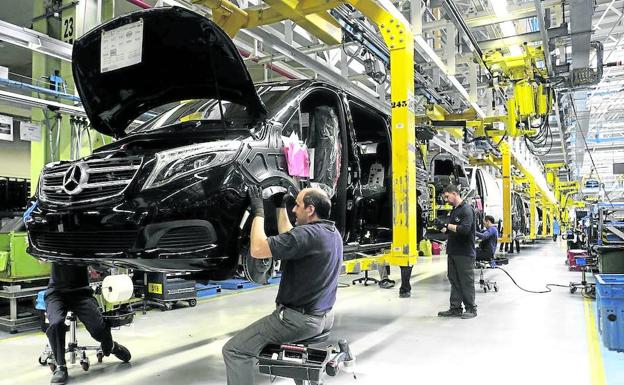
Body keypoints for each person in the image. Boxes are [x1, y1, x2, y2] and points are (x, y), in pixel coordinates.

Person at [222, 186, 343, 385]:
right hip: (323, 316)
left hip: (298, 320)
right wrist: (280, 207)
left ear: (310, 209)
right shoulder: (330, 232)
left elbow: (258, 249)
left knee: (235, 350)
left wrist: (258, 211)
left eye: (297, 205)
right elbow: (291, 236)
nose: (294, 210)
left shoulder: (307, 235)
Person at [45, 264, 131, 385]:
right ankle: (61, 367)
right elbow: (40, 256)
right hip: (56, 293)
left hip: (81, 293)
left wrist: (99, 265)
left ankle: (111, 346)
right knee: (56, 323)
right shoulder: (56, 245)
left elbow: (98, 265)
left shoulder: (83, 245)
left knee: (98, 328)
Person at [437, 185, 477, 319]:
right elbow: (450, 230)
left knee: (466, 281)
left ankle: (471, 308)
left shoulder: (467, 210)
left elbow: (464, 229)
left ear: (455, 194)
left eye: (447, 197)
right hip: (453, 251)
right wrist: (440, 227)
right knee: (454, 280)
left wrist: (447, 225)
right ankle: (455, 308)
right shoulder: (454, 211)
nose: (446, 200)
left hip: (464, 252)